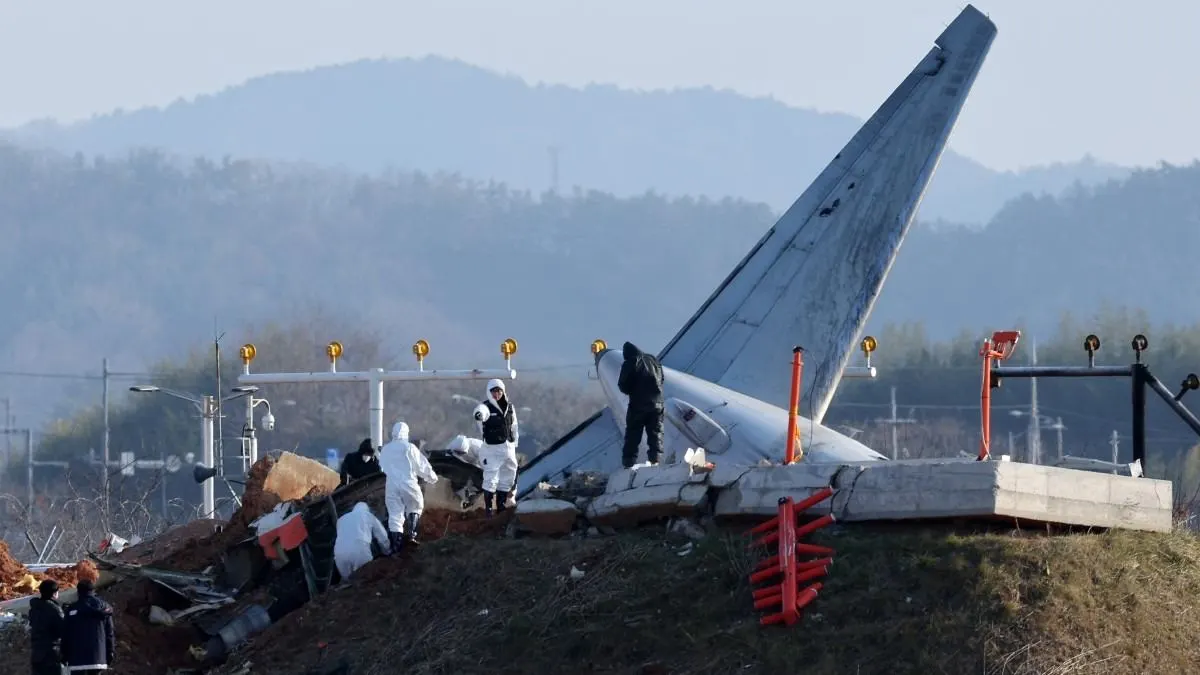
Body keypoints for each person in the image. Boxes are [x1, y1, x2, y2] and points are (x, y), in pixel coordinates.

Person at [379, 421, 439, 551]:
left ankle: (396, 545)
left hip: (391, 485)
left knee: (395, 515)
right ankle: (411, 534)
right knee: (415, 505)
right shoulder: (409, 447)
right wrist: (432, 477)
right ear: (406, 433)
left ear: (393, 433)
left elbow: (382, 467)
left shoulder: (385, 449)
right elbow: (421, 466)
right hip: (408, 482)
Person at [473, 378, 519, 517]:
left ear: (503, 391)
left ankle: (501, 507)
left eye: (499, 391)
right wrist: (479, 415)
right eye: (493, 391)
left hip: (508, 448)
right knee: (490, 478)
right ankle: (488, 510)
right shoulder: (485, 407)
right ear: (489, 392)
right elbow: (479, 414)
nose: (496, 394)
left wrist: (514, 442)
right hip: (492, 449)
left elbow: (514, 425)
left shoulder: (510, 407)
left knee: (508, 477)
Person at [617, 341, 665, 468]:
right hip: (658, 403)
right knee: (656, 432)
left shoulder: (631, 362)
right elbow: (662, 379)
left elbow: (623, 385)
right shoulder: (653, 360)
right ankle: (656, 461)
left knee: (633, 433)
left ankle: (629, 463)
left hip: (638, 404)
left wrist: (632, 390)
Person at [61, 578, 115, 674]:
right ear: (93, 591)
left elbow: (66, 635)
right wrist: (110, 652)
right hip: (98, 658)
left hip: (76, 659)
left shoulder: (71, 610)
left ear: (78, 592)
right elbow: (109, 633)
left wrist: (64, 655)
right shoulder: (105, 608)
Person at [333, 501, 391, 579]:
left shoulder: (340, 520)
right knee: (366, 580)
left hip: (339, 555)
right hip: (360, 551)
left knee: (349, 584)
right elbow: (382, 535)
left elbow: (343, 537)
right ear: (367, 510)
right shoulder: (367, 515)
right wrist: (387, 551)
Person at [28, 579, 64, 675]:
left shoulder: (34, 608)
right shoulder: (54, 609)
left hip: (36, 652)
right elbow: (63, 630)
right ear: (54, 593)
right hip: (51, 653)